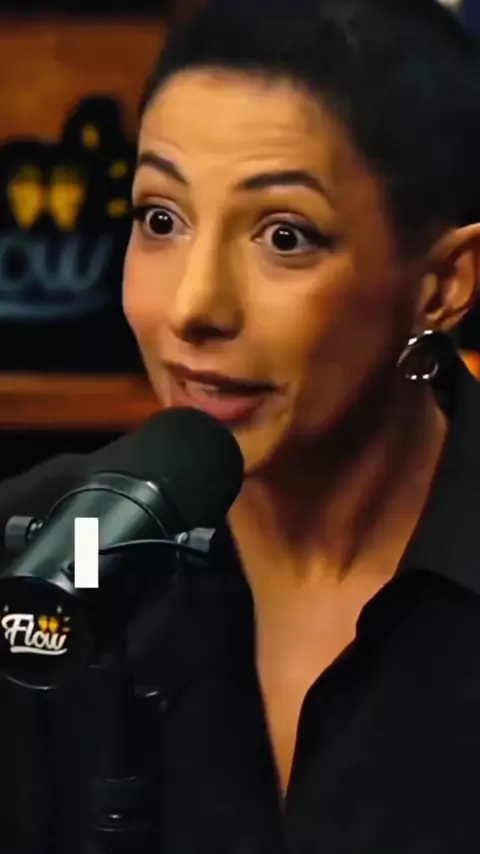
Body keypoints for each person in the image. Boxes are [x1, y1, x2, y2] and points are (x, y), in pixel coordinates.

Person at [2, 0, 480, 851]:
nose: (194, 306)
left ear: (442, 285)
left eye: (285, 236)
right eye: (161, 219)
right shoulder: (46, 549)